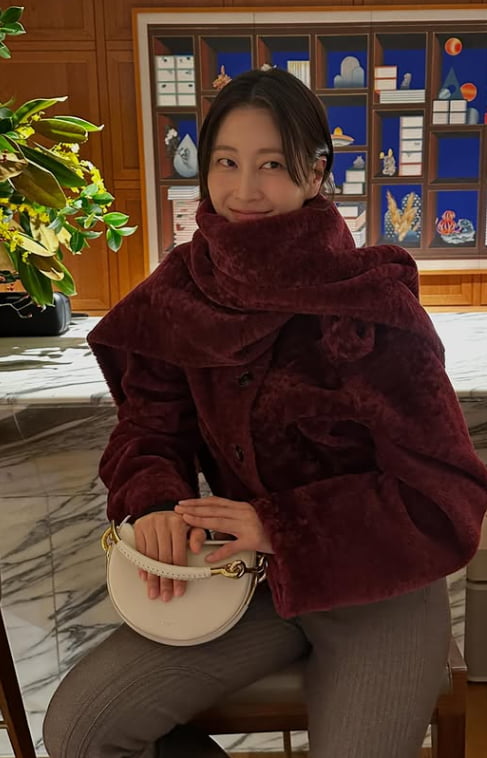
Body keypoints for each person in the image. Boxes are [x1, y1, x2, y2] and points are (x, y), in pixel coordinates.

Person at [43, 69, 487, 758]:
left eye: (272, 164)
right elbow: (148, 429)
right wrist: (152, 504)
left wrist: (280, 525)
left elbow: (442, 493)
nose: (244, 189)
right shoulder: (180, 293)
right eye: (226, 162)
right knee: (82, 728)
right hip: (242, 578)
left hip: (376, 581)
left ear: (315, 173)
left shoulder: (369, 303)